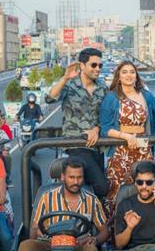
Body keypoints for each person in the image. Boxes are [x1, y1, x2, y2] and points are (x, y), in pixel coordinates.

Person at [99, 61, 155, 216]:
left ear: (136, 75)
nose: (129, 75)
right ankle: (115, 231)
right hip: (120, 149)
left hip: (143, 148)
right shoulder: (111, 97)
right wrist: (126, 137)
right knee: (117, 190)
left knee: (146, 187)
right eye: (124, 72)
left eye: (132, 72)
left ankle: (146, 228)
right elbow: (105, 128)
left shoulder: (146, 95)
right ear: (119, 77)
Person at [46, 48, 108, 199]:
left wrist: (97, 129)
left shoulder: (102, 87)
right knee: (101, 186)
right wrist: (65, 78)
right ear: (82, 65)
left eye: (100, 65)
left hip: (97, 147)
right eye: (94, 65)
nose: (97, 69)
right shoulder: (69, 85)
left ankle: (89, 219)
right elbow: (49, 98)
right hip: (76, 145)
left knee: (95, 191)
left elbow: (106, 116)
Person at [19, 158, 108, 251]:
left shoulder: (92, 200)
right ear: (62, 176)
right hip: (50, 243)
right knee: (26, 246)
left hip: (79, 244)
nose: (76, 182)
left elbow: (105, 231)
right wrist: (41, 234)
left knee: (91, 249)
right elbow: (34, 229)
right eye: (72, 177)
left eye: (79, 177)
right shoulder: (46, 197)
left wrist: (94, 239)